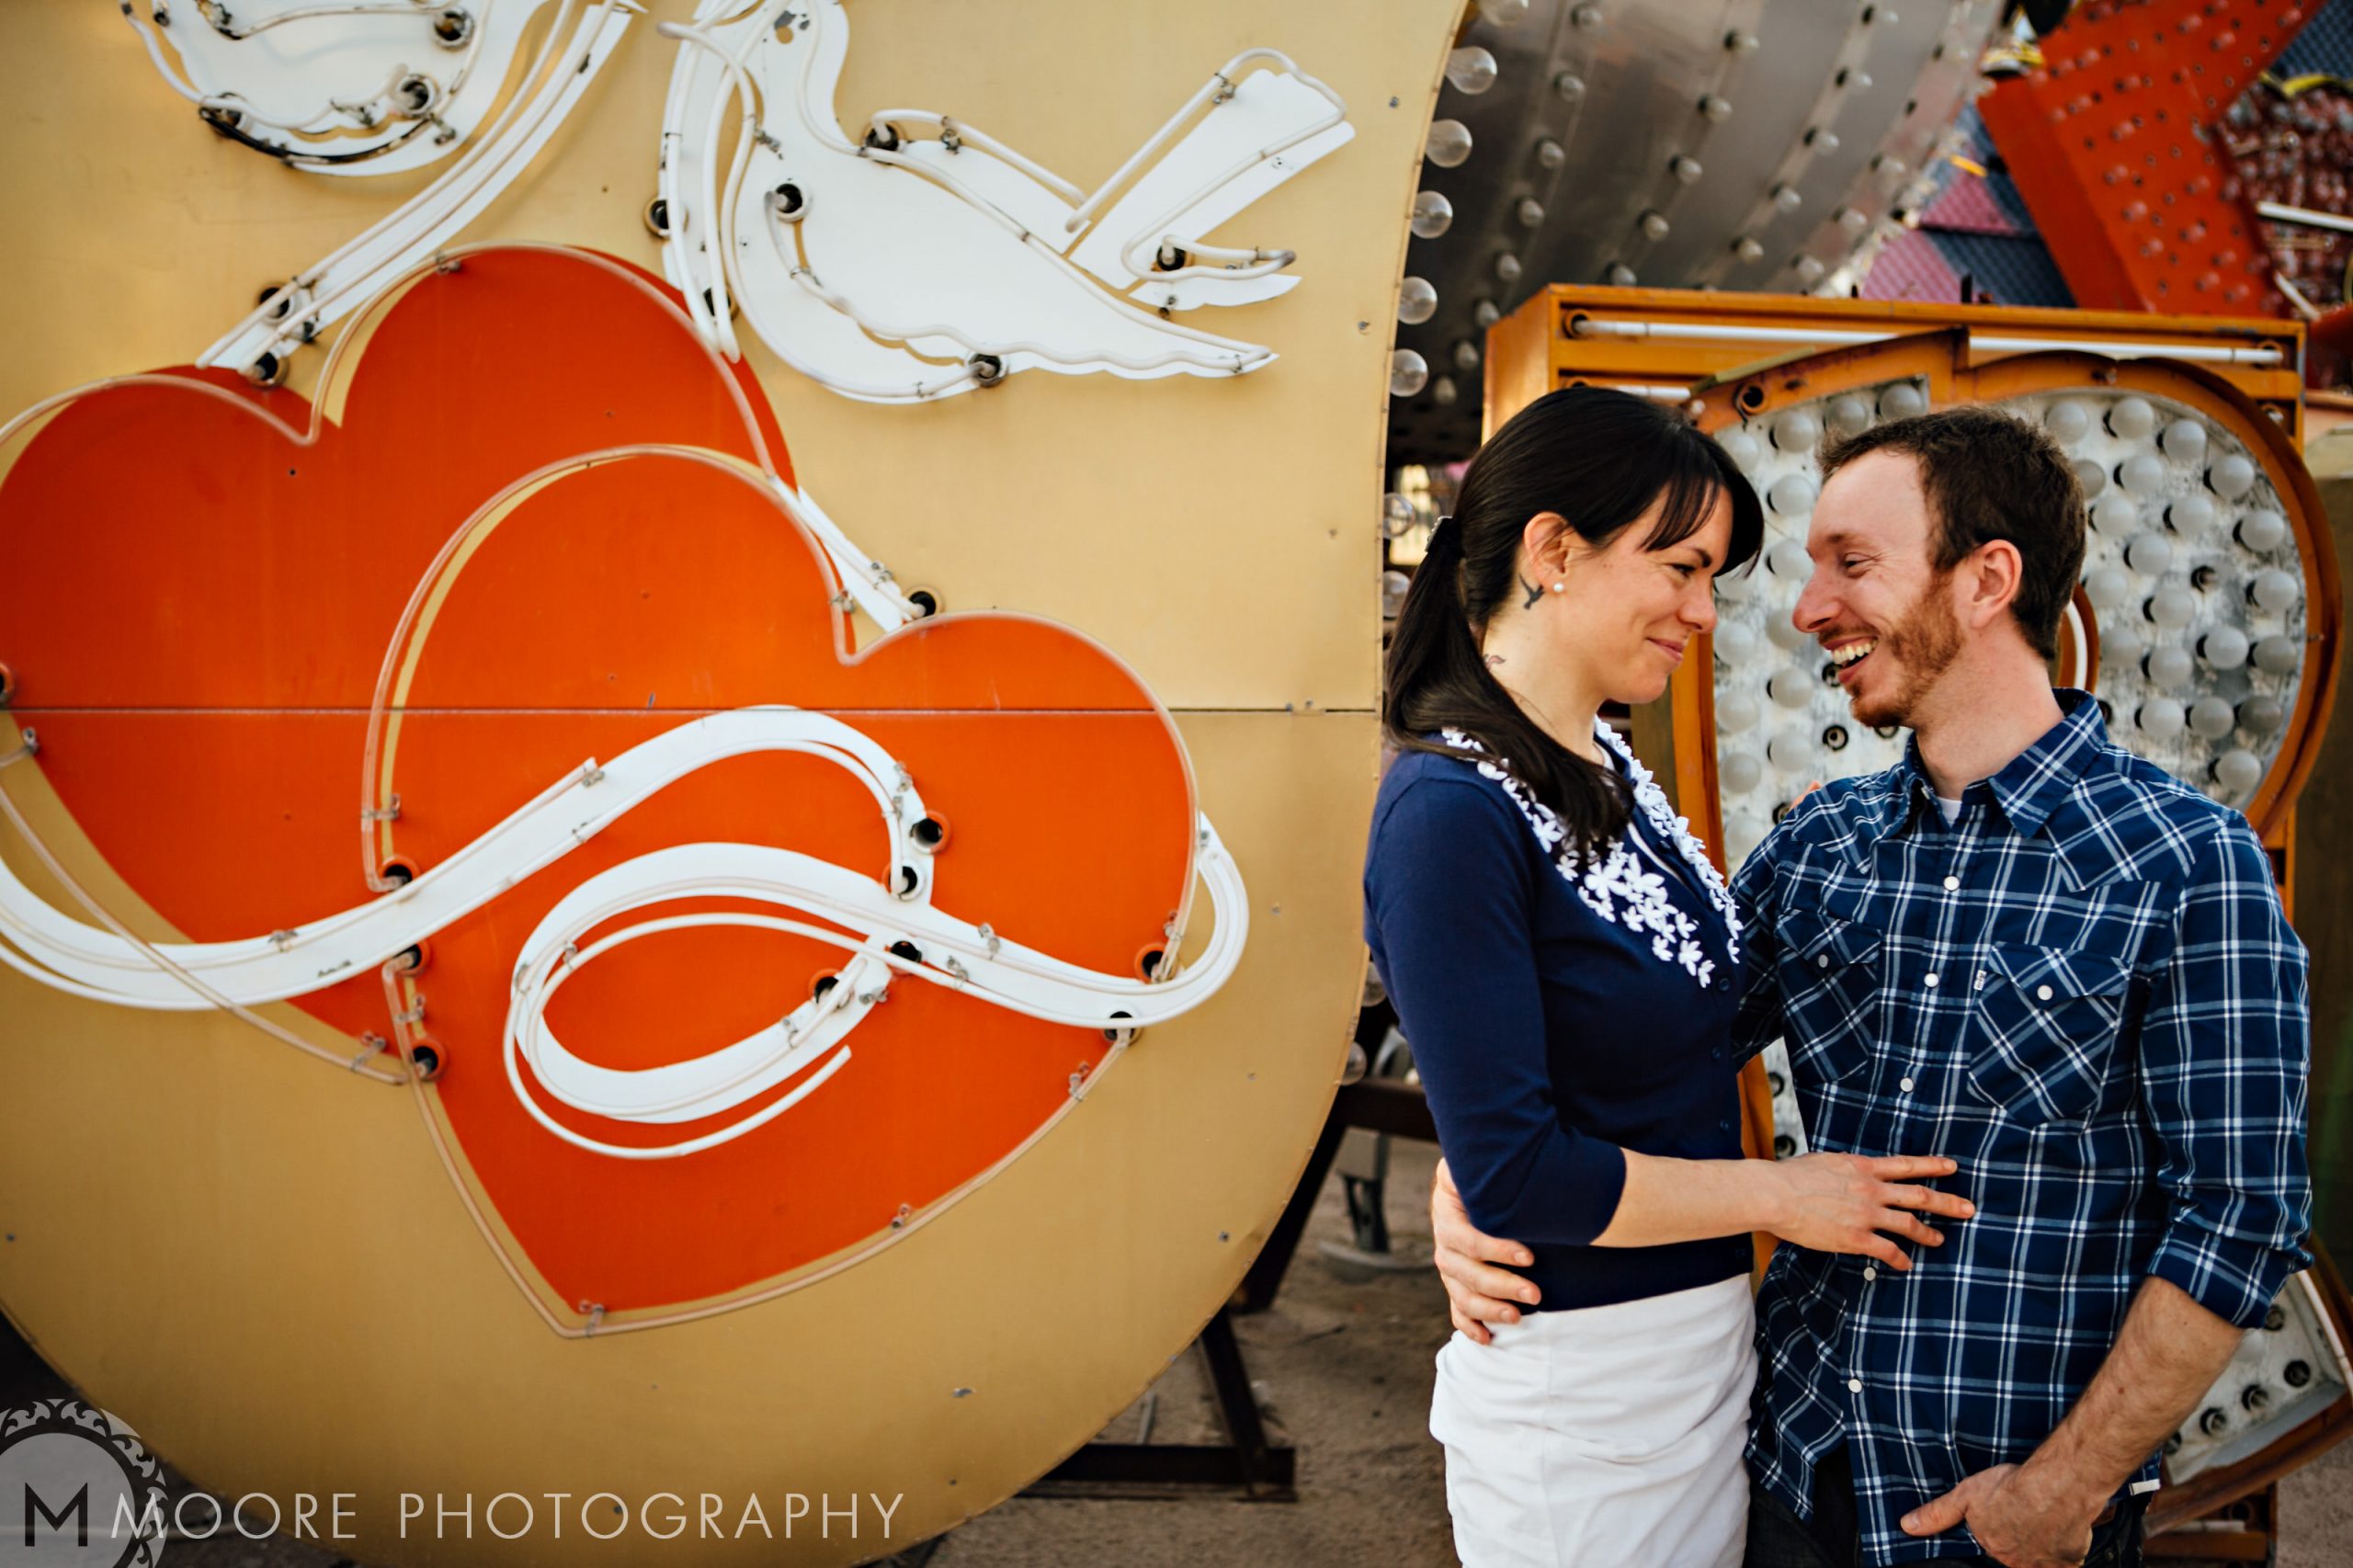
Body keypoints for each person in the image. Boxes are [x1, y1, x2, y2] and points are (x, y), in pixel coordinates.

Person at [1430, 405, 2313, 1568]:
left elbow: (2239, 1219)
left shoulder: (2187, 864)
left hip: (1996, 1511)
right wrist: (1476, 1178)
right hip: (1784, 1468)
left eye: (1852, 564)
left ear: (1987, 578)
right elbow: (1632, 1053)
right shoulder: (1820, 847)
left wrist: (2068, 1485)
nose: (1808, 610)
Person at [1364, 386, 1980, 1568]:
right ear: (1552, 550)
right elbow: (1522, 1172)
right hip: (1582, 1385)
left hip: (1696, 1355)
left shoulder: (1603, 763)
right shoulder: (1448, 813)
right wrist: (1789, 1196)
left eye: (1713, 579)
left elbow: (1677, 1024)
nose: (1703, 611)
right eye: (1680, 567)